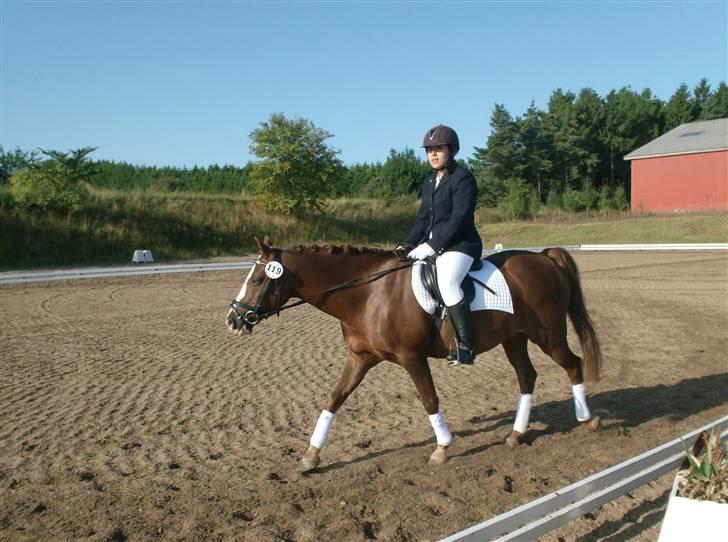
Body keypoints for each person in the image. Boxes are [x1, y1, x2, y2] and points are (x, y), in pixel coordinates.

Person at [396, 125, 482, 365]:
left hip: (462, 245)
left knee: (447, 282)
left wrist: (432, 245)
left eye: (438, 149)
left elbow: (459, 218)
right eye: (429, 150)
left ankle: (466, 345)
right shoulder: (430, 181)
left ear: (451, 150)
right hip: (437, 245)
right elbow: (424, 219)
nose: (433, 154)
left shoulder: (463, 178)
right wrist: (406, 244)